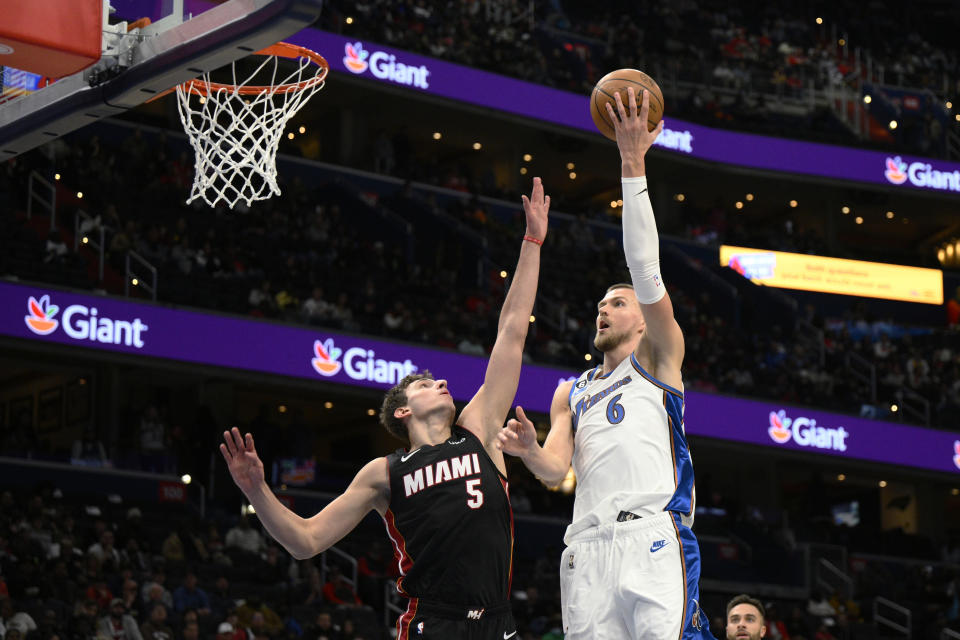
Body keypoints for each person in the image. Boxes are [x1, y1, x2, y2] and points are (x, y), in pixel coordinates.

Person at [221, 178, 550, 640]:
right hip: (431, 625)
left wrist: (532, 241)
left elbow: (512, 331)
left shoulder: (477, 428)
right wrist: (255, 489)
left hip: (499, 624)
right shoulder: (384, 473)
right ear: (401, 411)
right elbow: (306, 541)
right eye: (425, 382)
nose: (441, 382)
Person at [497, 88, 715, 639]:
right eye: (600, 305)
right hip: (587, 549)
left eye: (616, 303)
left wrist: (631, 163)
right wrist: (528, 452)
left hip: (653, 538)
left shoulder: (661, 360)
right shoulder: (573, 391)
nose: (604, 309)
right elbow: (555, 472)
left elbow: (644, 265)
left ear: (642, 318)